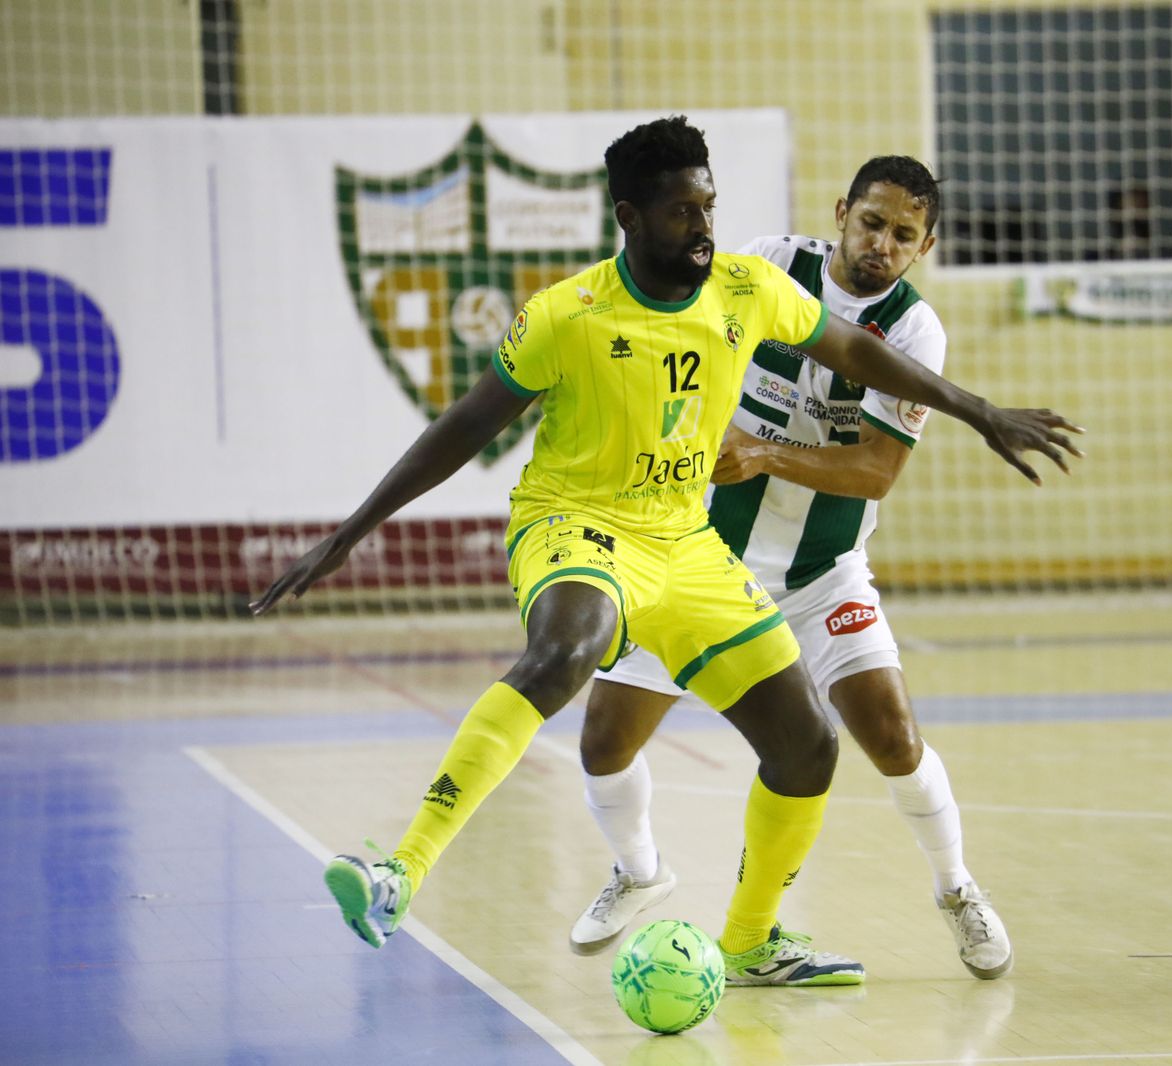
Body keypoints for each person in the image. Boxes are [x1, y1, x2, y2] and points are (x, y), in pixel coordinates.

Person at [250, 117, 1083, 988]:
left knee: (808, 747)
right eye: (684, 211)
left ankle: (753, 940)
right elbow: (463, 425)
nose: (703, 227)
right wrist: (350, 532)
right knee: (567, 653)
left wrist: (980, 410)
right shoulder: (565, 314)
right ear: (630, 217)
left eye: (709, 206)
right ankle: (401, 872)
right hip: (576, 523)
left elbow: (854, 353)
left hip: (690, 545)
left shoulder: (745, 287)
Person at [567, 157, 1020, 980]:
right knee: (602, 741)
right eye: (872, 223)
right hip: (698, 562)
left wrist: (762, 452)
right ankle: (638, 870)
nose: (882, 245)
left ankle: (956, 889)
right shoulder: (768, 266)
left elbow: (877, 472)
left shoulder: (915, 330)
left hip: (821, 572)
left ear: (925, 247)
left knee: (892, 736)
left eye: (904, 235)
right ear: (841, 212)